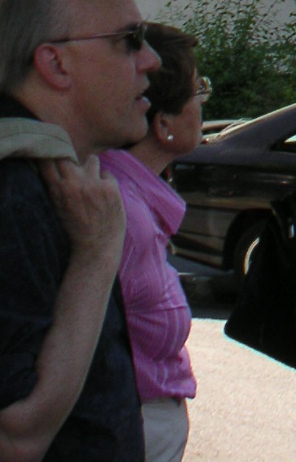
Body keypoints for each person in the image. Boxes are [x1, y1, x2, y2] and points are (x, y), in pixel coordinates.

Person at [0, 0, 160, 462]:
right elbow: (14, 434)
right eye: (130, 39)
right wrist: (97, 254)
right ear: (55, 63)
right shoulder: (14, 192)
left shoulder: (53, 178)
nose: (151, 59)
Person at [99, 25, 205, 462]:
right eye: (198, 90)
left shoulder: (132, 199)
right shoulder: (125, 213)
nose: (203, 103)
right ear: (163, 123)